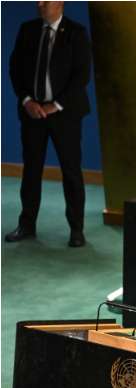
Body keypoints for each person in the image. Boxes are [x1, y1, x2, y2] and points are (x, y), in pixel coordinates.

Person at [6, 1, 92, 247]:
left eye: (46, 0)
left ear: (60, 3)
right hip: (33, 114)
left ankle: (76, 230)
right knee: (31, 171)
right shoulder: (28, 30)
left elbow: (81, 76)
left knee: (71, 172)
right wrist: (27, 101)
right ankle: (27, 224)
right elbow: (15, 69)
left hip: (65, 114)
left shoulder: (76, 33)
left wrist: (56, 105)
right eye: (38, 0)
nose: (40, 4)